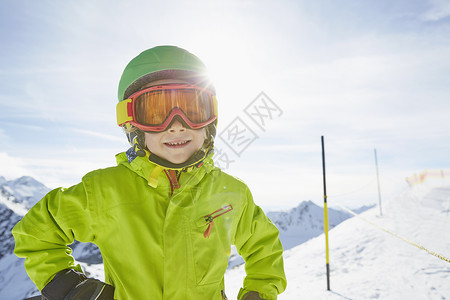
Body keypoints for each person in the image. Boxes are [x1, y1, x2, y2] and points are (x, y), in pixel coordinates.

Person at [12, 45, 287, 300]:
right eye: (156, 112)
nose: (177, 125)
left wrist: (258, 293)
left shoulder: (233, 194)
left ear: (211, 120)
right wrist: (72, 290)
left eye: (193, 108)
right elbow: (36, 233)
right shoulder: (104, 191)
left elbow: (265, 249)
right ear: (133, 125)